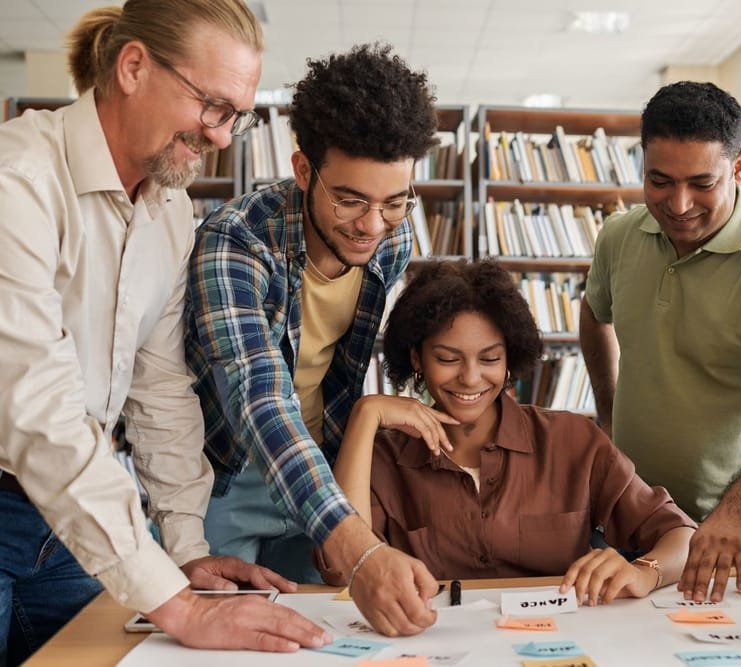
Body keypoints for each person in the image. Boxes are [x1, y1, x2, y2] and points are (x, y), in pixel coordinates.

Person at [0, 1, 331, 663]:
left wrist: (186, 552)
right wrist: (177, 604)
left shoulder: (170, 209)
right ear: (133, 68)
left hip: (66, 519)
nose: (223, 137)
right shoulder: (19, 184)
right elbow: (35, 409)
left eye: (237, 115)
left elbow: (159, 391)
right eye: (213, 106)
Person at [184, 43, 441, 637]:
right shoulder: (236, 242)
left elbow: (344, 370)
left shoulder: (391, 240)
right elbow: (258, 397)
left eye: (394, 202)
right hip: (226, 473)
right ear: (304, 171)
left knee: (322, 636)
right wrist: (355, 541)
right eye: (350, 199)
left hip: (317, 468)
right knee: (221, 638)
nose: (371, 226)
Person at [580, 81, 741, 603]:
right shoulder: (618, 237)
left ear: (740, 167)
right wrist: (607, 411)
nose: (678, 204)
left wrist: (735, 517)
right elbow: (595, 313)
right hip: (637, 514)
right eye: (660, 181)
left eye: (702, 183)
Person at [326, 259, 697, 603]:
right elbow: (342, 571)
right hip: (433, 637)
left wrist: (645, 571)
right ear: (416, 359)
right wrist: (365, 414)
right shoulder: (384, 458)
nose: (470, 378)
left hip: (557, 635)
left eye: (489, 358)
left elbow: (681, 535)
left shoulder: (572, 441)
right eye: (448, 359)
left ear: (509, 360)